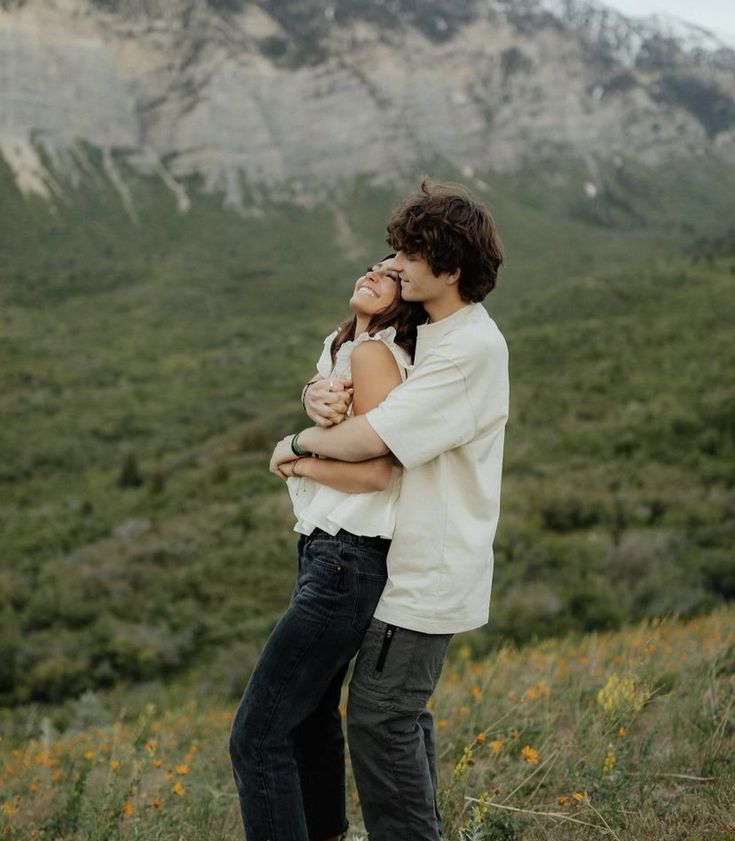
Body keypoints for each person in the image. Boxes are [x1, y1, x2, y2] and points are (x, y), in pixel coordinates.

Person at [270, 180, 509, 840]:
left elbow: (374, 444)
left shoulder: (468, 350)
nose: (393, 264)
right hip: (396, 559)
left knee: (381, 719)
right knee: (398, 716)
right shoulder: (430, 331)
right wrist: (318, 391)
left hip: (424, 571)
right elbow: (360, 369)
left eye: (409, 252)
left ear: (451, 268)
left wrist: (294, 445)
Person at [229, 256, 426, 841]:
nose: (372, 273)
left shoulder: (373, 354)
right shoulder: (348, 344)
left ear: (408, 297)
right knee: (311, 719)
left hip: (347, 556)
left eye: (391, 275)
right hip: (328, 552)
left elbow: (374, 474)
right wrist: (311, 399)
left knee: (258, 736)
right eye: (371, 265)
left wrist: (296, 457)